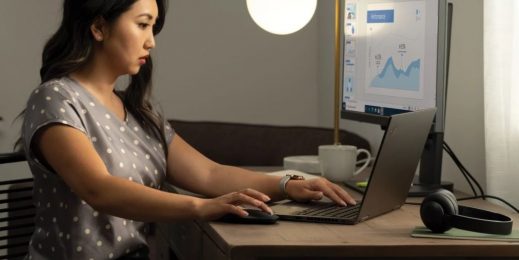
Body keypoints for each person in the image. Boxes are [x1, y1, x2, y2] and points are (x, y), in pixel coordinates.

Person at [19, 0, 356, 259]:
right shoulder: (55, 98)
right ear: (99, 27)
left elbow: (208, 174)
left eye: (153, 28)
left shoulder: (138, 111)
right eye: (142, 25)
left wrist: (287, 184)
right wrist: (199, 207)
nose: (151, 42)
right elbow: (98, 189)